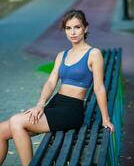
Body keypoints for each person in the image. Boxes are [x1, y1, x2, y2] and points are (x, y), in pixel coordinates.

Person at [0, 9, 114, 166]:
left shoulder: (94, 54)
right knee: (1, 131)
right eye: (68, 28)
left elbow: (99, 87)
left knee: (16, 121)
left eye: (77, 27)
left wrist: (106, 119)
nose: (72, 32)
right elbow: (51, 82)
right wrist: (40, 104)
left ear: (85, 28)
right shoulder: (62, 55)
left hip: (71, 111)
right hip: (55, 104)